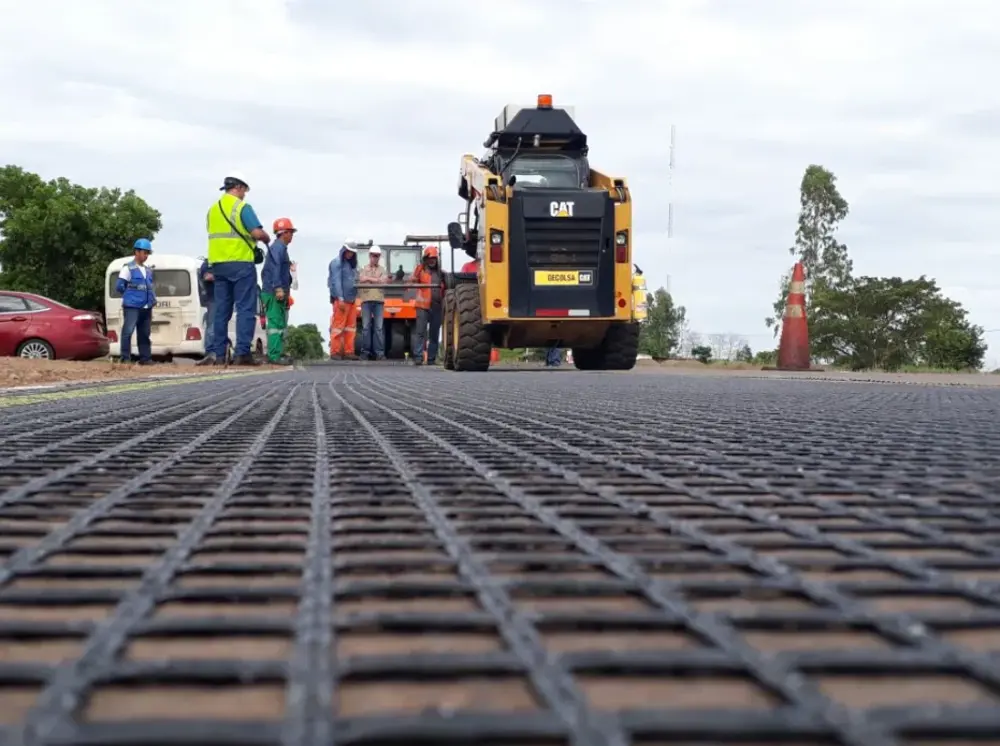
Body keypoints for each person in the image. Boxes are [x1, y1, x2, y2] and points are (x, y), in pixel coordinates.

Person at [198, 170, 270, 367]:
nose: (244, 194)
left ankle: (219, 354)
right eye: (244, 190)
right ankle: (242, 353)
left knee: (222, 311)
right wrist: (265, 237)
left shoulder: (213, 209)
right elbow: (255, 231)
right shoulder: (242, 207)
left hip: (219, 266)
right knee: (246, 309)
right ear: (238, 188)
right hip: (240, 264)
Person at [260, 217, 296, 365]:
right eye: (290, 232)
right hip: (274, 292)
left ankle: (278, 353)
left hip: (276, 291)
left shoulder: (279, 248)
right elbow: (275, 269)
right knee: (275, 324)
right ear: (283, 233)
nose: (292, 235)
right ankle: (274, 356)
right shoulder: (278, 248)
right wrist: (278, 288)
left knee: (280, 325)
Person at [116, 238, 157, 365]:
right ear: (136, 252)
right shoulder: (128, 268)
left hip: (146, 306)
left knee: (144, 333)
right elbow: (119, 286)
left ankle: (145, 358)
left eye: (147, 253)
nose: (146, 256)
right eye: (144, 252)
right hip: (132, 306)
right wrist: (130, 296)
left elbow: (149, 287)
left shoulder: (148, 270)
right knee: (128, 331)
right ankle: (125, 358)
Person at [408, 245, 447, 365]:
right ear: (425, 258)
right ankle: (418, 357)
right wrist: (417, 272)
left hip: (436, 307)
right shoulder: (420, 270)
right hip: (422, 306)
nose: (432, 261)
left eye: (434, 258)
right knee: (420, 332)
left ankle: (431, 359)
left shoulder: (441, 273)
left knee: (434, 334)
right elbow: (411, 282)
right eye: (430, 258)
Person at [328, 240, 360, 360]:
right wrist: (340, 298)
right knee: (338, 326)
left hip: (351, 300)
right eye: (349, 251)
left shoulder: (351, 265)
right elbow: (336, 282)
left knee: (351, 328)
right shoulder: (337, 263)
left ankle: (349, 351)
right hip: (341, 300)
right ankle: (335, 352)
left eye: (352, 252)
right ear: (344, 250)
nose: (350, 254)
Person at [357, 244, 388, 360]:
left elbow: (383, 281)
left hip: (379, 301)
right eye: (374, 256)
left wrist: (369, 279)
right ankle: (365, 352)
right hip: (366, 301)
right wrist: (376, 280)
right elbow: (361, 279)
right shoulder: (363, 269)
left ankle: (379, 353)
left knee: (378, 328)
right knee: (366, 327)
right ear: (370, 256)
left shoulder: (382, 270)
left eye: (377, 256)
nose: (375, 258)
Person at [197, 257, 215, 355]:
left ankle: (217, 350)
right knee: (212, 326)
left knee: (218, 326)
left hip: (223, 299)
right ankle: (210, 351)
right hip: (213, 299)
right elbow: (207, 276)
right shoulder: (208, 263)